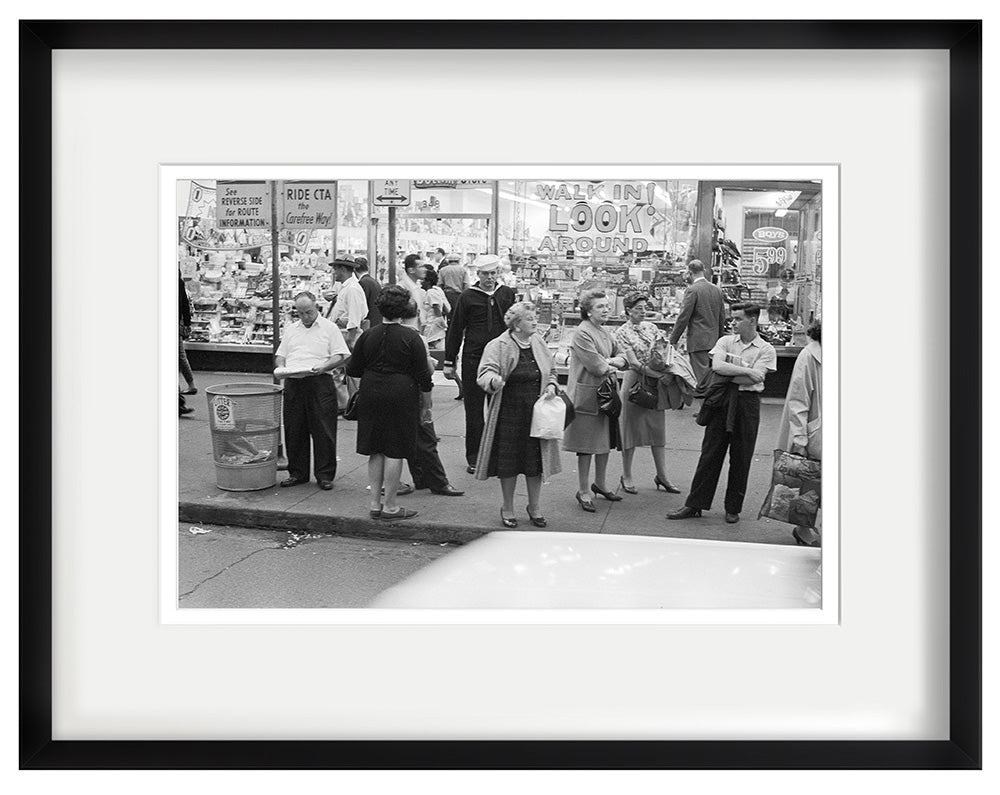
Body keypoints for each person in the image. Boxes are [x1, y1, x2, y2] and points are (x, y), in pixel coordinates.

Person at [668, 302, 777, 524]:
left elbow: (757, 377)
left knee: (742, 456)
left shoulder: (766, 349)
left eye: (738, 319)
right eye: (732, 318)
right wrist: (747, 371)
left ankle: (733, 508)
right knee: (710, 453)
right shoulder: (725, 341)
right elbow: (718, 367)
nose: (733, 323)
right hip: (722, 400)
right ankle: (695, 504)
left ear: (752, 320)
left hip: (747, 404)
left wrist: (733, 373)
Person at [345, 286, 433, 521]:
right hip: (401, 393)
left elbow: (353, 369)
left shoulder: (368, 335)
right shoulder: (412, 337)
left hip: (371, 392)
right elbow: (424, 376)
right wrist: (426, 406)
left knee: (376, 449)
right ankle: (391, 506)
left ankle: (375, 503)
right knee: (396, 450)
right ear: (404, 309)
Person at [476, 303, 561, 528]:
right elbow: (485, 373)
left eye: (534, 317)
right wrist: (494, 381)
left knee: (535, 463)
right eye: (529, 319)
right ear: (516, 324)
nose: (535, 322)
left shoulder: (538, 342)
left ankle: (534, 507)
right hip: (509, 412)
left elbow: (552, 371)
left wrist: (552, 385)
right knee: (509, 463)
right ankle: (507, 507)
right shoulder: (499, 345)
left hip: (536, 413)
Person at [443, 254, 517, 474]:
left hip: (501, 358)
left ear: (498, 273)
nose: (490, 278)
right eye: (485, 274)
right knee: (474, 410)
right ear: (478, 274)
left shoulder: (506, 293)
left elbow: (515, 325)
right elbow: (456, 328)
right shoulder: (467, 297)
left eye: (493, 273)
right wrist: (449, 361)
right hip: (473, 358)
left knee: (501, 408)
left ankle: (499, 455)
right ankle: (475, 457)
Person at [274, 292, 351, 491]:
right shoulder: (292, 329)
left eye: (308, 312)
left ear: (316, 307)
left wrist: (324, 366)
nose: (305, 317)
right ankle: (297, 472)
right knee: (294, 428)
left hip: (319, 381)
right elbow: (281, 354)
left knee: (323, 429)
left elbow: (340, 355)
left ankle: (324, 474)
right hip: (294, 381)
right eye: (300, 313)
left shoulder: (329, 328)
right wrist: (281, 367)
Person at [561, 289, 628, 512]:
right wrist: (613, 361)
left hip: (605, 394)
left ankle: (600, 483)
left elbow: (624, 357)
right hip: (587, 396)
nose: (606, 309)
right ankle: (583, 490)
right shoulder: (582, 333)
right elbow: (596, 366)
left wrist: (611, 361)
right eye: (600, 306)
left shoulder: (604, 331)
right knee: (586, 446)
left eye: (607, 306)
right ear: (588, 311)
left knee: (603, 441)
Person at [614, 291, 681, 494]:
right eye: (638, 308)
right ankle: (626, 475)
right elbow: (633, 363)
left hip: (654, 383)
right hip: (635, 383)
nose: (643, 312)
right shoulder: (622, 332)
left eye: (645, 308)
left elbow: (664, 350)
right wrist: (659, 375)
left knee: (657, 430)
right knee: (630, 431)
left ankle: (662, 475)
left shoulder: (652, 328)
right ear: (628, 311)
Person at [776, 318, 822, 546]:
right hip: (816, 431)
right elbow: (798, 400)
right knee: (810, 482)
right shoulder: (810, 356)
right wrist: (800, 438)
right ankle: (804, 529)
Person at [668, 259, 726, 394]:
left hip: (698, 341)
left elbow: (683, 317)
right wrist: (720, 339)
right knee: (711, 376)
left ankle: (704, 405)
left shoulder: (692, 290)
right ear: (703, 270)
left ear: (690, 272)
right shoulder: (716, 290)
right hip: (714, 340)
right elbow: (721, 317)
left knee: (701, 379)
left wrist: (673, 340)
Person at [436, 253, 468, 400]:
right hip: (459, 296)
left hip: (447, 296)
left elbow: (439, 285)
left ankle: (450, 341)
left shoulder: (443, 270)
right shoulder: (463, 270)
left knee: (450, 323)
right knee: (458, 322)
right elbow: (466, 285)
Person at [420, 266, 450, 349]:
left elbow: (436, 307)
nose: (421, 282)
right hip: (434, 325)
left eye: (423, 280)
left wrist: (440, 321)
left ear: (428, 281)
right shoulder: (436, 290)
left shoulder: (431, 292)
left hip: (433, 326)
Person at [178, 270, 197, 398]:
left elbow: (184, 303)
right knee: (180, 356)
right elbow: (184, 304)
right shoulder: (179, 282)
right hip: (177, 322)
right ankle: (190, 384)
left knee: (179, 356)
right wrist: (187, 323)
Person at [355, 256, 382, 328]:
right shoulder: (373, 281)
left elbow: (362, 305)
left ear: (354, 270)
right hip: (377, 321)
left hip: (369, 323)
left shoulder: (363, 282)